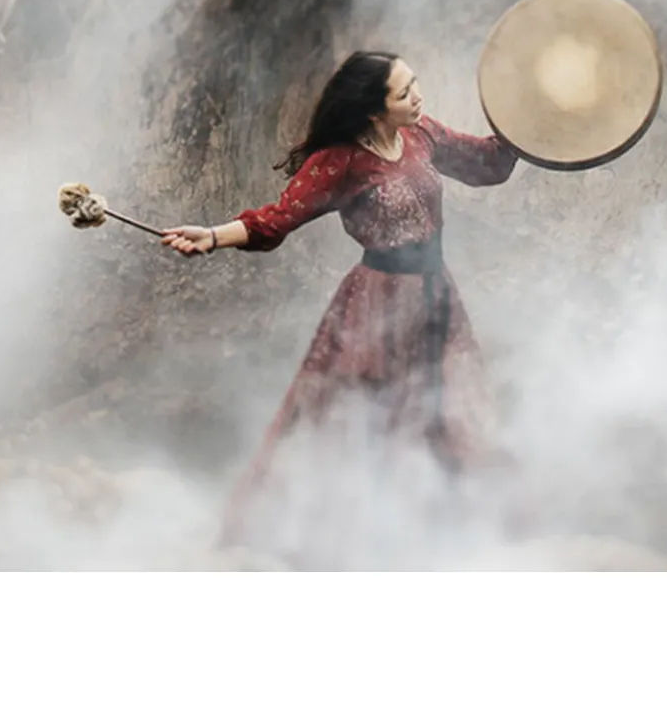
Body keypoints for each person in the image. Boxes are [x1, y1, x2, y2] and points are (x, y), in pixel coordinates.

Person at [160, 49, 520, 558]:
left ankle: (443, 531)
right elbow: (276, 219)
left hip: (436, 295)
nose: (418, 96)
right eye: (404, 92)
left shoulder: (421, 134)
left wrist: (532, 122)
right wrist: (213, 236)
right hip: (377, 306)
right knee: (370, 417)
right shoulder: (340, 162)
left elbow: (487, 163)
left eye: (415, 83)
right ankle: (358, 542)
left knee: (446, 407)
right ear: (373, 109)